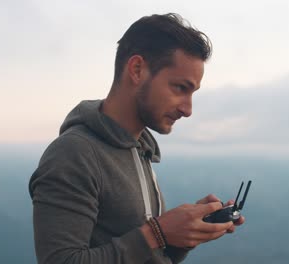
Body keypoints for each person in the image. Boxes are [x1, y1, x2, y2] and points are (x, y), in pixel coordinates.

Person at [28, 13, 245, 264]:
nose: (188, 109)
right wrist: (157, 232)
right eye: (179, 88)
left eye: (192, 92)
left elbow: (144, 254)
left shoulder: (139, 150)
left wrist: (185, 233)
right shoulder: (74, 154)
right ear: (137, 69)